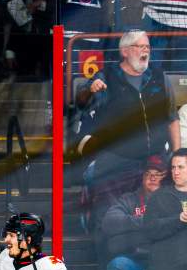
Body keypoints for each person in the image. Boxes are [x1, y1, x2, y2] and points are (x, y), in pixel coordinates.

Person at [76, 31, 180, 202]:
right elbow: (81, 103)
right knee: (110, 208)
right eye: (140, 47)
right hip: (118, 159)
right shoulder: (106, 77)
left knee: (158, 207)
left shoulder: (159, 77)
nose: (145, 51)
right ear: (125, 51)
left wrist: (176, 154)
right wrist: (90, 90)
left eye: (147, 47)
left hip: (155, 157)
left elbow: (172, 117)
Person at [143, 148, 187, 270]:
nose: (176, 171)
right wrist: (178, 219)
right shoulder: (159, 197)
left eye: (181, 167)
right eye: (173, 167)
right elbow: (150, 230)